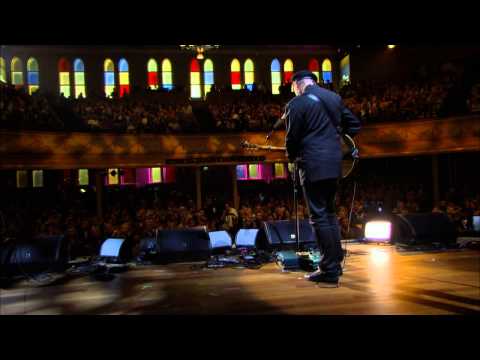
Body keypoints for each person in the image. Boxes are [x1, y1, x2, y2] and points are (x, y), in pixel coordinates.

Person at [284, 70, 361, 285]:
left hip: (312, 165)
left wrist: (292, 157)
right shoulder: (334, 98)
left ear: (298, 84)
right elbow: (354, 125)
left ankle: (329, 269)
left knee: (319, 216)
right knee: (329, 214)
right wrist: (338, 143)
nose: (294, 91)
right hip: (335, 165)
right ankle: (335, 262)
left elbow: (292, 139)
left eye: (293, 88)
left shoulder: (296, 105)